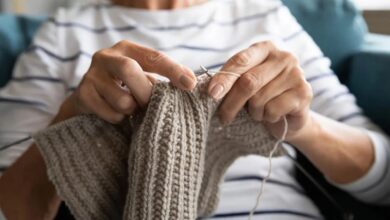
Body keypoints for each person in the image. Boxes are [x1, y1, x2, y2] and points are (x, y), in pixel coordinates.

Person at [0, 0, 389, 219]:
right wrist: (73, 116)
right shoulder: (64, 31)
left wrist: (302, 126)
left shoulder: (268, 17)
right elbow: (10, 206)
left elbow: (383, 183)